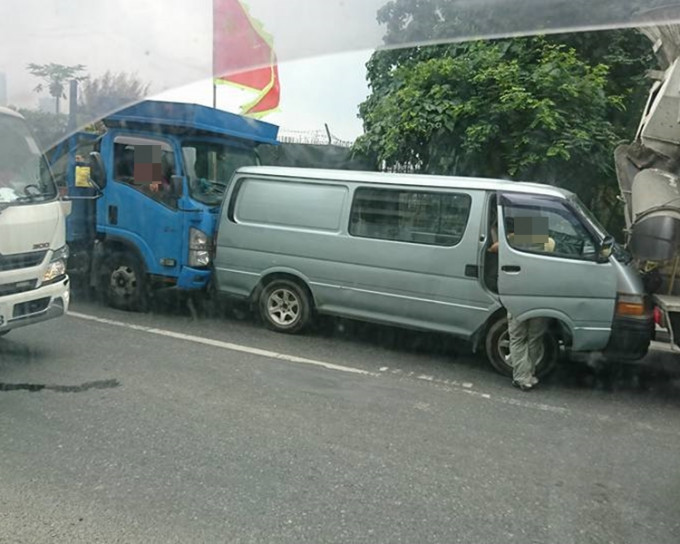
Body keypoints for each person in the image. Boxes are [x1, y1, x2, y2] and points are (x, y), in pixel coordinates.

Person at [490, 215, 555, 391]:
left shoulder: (512, 243)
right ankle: (530, 374)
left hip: (519, 296)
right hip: (541, 297)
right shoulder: (549, 243)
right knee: (535, 338)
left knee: (517, 337)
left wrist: (508, 235)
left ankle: (521, 377)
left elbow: (493, 248)